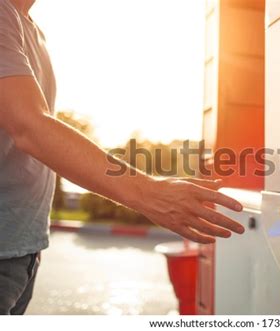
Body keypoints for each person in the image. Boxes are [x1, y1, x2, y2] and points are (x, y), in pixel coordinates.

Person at [0, 0, 244, 315]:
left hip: (21, 254)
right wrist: (149, 194)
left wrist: (31, 243)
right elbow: (29, 127)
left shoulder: (31, 30)